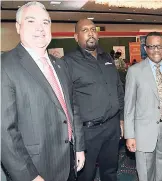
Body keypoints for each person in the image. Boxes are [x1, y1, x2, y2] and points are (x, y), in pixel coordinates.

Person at [1, 2, 85, 181]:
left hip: (69, 161)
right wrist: (28, 176)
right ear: (18, 27)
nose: (40, 28)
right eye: (31, 21)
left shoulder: (61, 64)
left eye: (46, 22)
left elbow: (73, 108)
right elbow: (4, 132)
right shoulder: (5, 66)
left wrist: (79, 147)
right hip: (36, 168)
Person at [63, 19, 124, 181]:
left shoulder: (108, 58)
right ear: (76, 37)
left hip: (112, 127)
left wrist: (122, 119)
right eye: (85, 30)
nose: (91, 33)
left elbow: (118, 89)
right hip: (88, 132)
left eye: (93, 29)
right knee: (85, 175)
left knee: (110, 171)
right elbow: (66, 102)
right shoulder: (68, 62)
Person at [124, 32, 162, 181]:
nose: (156, 50)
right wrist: (129, 135)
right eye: (152, 46)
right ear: (145, 48)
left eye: (159, 46)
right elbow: (128, 106)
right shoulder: (134, 71)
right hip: (144, 133)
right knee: (146, 175)